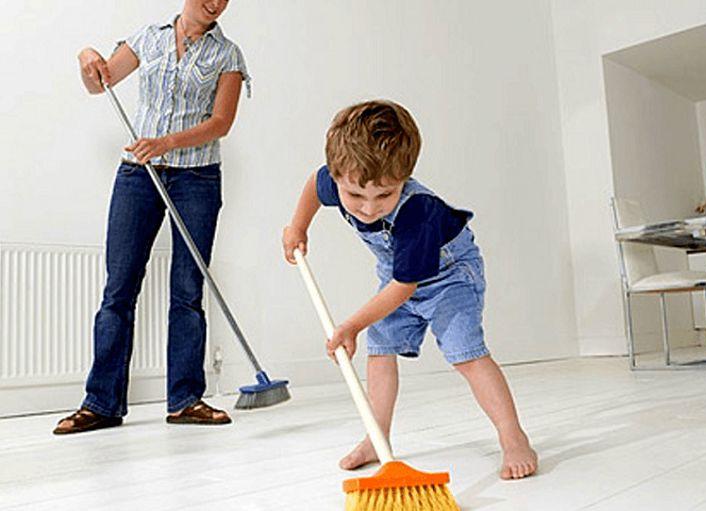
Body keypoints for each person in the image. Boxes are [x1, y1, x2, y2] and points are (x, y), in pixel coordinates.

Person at [282, 100, 538, 479]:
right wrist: (298, 227)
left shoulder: (418, 212)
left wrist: (351, 325)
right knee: (381, 350)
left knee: (465, 353)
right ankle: (376, 437)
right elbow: (314, 187)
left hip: (449, 276)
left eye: (384, 196)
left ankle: (512, 435)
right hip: (398, 275)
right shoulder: (339, 179)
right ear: (338, 178)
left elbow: (405, 287)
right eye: (355, 197)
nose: (369, 209)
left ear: (404, 177)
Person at [54, 0, 250, 434]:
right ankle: (101, 403)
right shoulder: (148, 38)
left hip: (197, 177)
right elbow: (100, 83)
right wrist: (86, 57)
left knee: (187, 290)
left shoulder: (228, 55)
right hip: (138, 175)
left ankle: (185, 400)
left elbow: (221, 123)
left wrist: (166, 142)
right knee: (118, 289)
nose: (216, 3)